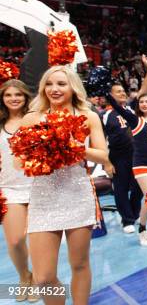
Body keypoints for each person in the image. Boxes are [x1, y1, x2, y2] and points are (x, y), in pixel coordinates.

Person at [19, 65, 108, 305]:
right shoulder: (32, 118)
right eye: (49, 84)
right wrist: (39, 153)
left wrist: (74, 146)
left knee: (79, 264)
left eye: (61, 84)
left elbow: (103, 155)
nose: (54, 89)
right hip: (43, 197)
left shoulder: (88, 116)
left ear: (73, 87)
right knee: (44, 277)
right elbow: (19, 160)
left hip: (77, 193)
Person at [101, 55, 147, 234]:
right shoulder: (105, 115)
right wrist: (106, 162)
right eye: (118, 92)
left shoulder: (131, 108)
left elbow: (144, 88)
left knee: (138, 187)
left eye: (123, 91)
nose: (122, 94)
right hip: (118, 157)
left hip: (136, 155)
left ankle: (134, 212)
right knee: (121, 189)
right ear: (110, 96)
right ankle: (127, 220)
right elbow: (99, 140)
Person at [108, 91, 147, 246]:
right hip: (140, 164)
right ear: (138, 105)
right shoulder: (135, 120)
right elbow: (117, 107)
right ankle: (142, 228)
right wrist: (106, 95)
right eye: (141, 102)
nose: (144, 104)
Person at [0, 80, 36, 302]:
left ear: (25, 97)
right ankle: (25, 276)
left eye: (18, 95)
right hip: (8, 187)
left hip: (38, 185)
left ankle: (41, 281)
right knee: (15, 240)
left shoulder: (33, 120)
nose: (13, 98)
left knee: (37, 239)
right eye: (8, 95)